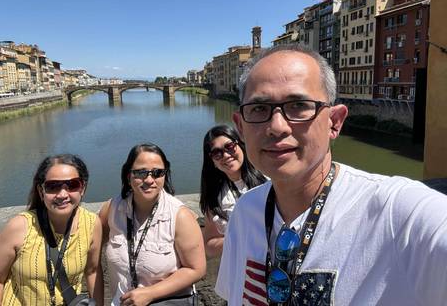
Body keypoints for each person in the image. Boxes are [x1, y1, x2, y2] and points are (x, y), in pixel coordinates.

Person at [215, 44, 447, 306]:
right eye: (259, 109)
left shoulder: (398, 213)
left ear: (334, 122)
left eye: (298, 105)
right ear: (241, 128)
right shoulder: (245, 212)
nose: (277, 127)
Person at [0, 154, 104, 305]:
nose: (62, 194)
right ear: (41, 192)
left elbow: (92, 271)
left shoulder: (92, 224)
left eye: (72, 185)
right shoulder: (19, 227)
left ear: (83, 188)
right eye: (53, 186)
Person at [99, 143, 206, 306]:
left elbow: (196, 269)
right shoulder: (112, 209)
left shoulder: (180, 216)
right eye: (141, 172)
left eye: (157, 173)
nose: (149, 180)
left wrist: (150, 293)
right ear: (128, 175)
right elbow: (91, 249)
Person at [200, 124, 266, 257]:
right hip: (241, 267)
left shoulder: (268, 178)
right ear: (212, 161)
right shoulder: (214, 196)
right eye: (216, 153)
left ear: (241, 145)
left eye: (229, 146)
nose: (225, 155)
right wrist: (239, 239)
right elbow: (209, 245)